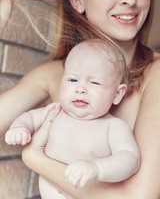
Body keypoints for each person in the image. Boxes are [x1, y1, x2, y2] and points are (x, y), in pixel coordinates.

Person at [0, 0, 160, 198]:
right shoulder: (52, 74)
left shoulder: (155, 73)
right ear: (77, 0)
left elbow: (139, 196)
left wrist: (34, 157)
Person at [5, 39, 140, 199]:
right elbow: (29, 118)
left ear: (117, 94)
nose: (80, 89)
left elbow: (130, 159)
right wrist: (19, 127)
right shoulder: (55, 110)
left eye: (94, 82)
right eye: (73, 80)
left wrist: (96, 168)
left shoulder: (113, 126)